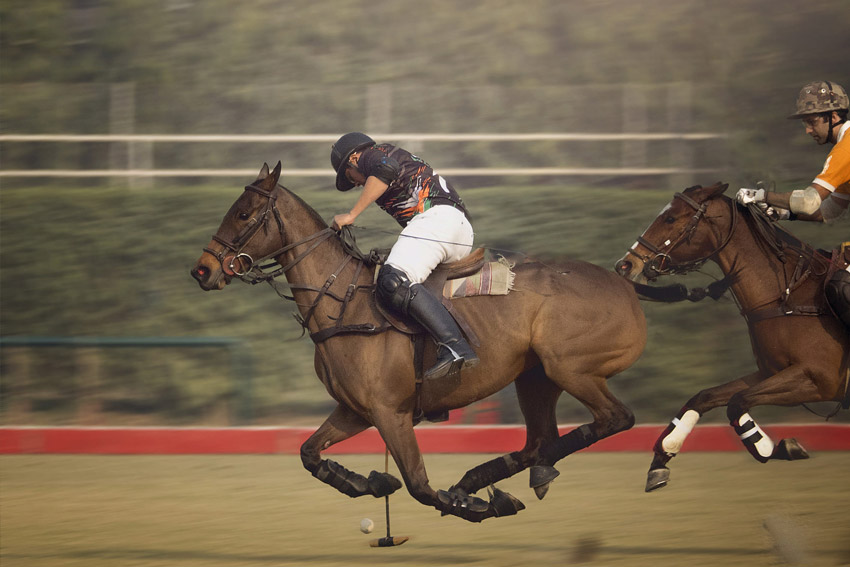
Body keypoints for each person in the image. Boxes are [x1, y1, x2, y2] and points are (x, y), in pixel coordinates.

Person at [329, 132, 479, 379]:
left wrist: (351, 214)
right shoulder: (384, 157)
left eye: (349, 176)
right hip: (455, 230)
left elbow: (386, 169)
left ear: (354, 158)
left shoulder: (371, 156)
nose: (355, 184)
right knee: (411, 290)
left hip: (440, 222)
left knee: (392, 281)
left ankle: (454, 346)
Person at [735, 80, 850, 327]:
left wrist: (761, 196)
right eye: (805, 123)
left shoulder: (847, 147)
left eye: (812, 121)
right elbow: (828, 212)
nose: (808, 130)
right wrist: (785, 214)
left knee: (842, 287)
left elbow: (809, 201)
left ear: (833, 116)